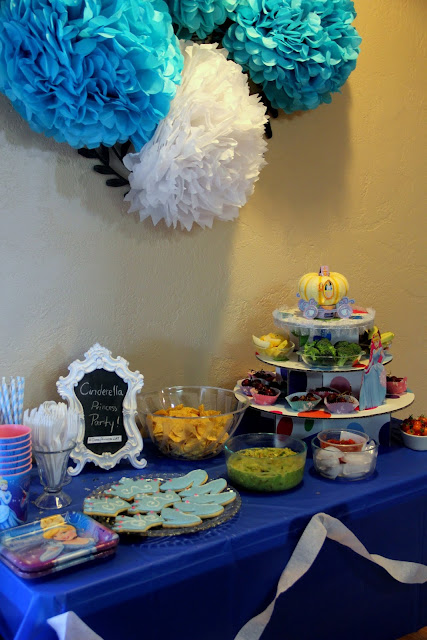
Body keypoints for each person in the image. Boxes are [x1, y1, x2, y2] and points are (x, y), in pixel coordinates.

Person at [359, 331, 386, 410]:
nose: (376, 344)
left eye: (377, 342)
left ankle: (377, 399)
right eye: (375, 342)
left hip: (378, 367)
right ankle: (370, 401)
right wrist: (368, 368)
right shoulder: (373, 351)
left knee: (377, 383)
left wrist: (379, 364)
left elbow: (383, 357)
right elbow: (371, 361)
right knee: (370, 382)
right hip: (373, 368)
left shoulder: (380, 349)